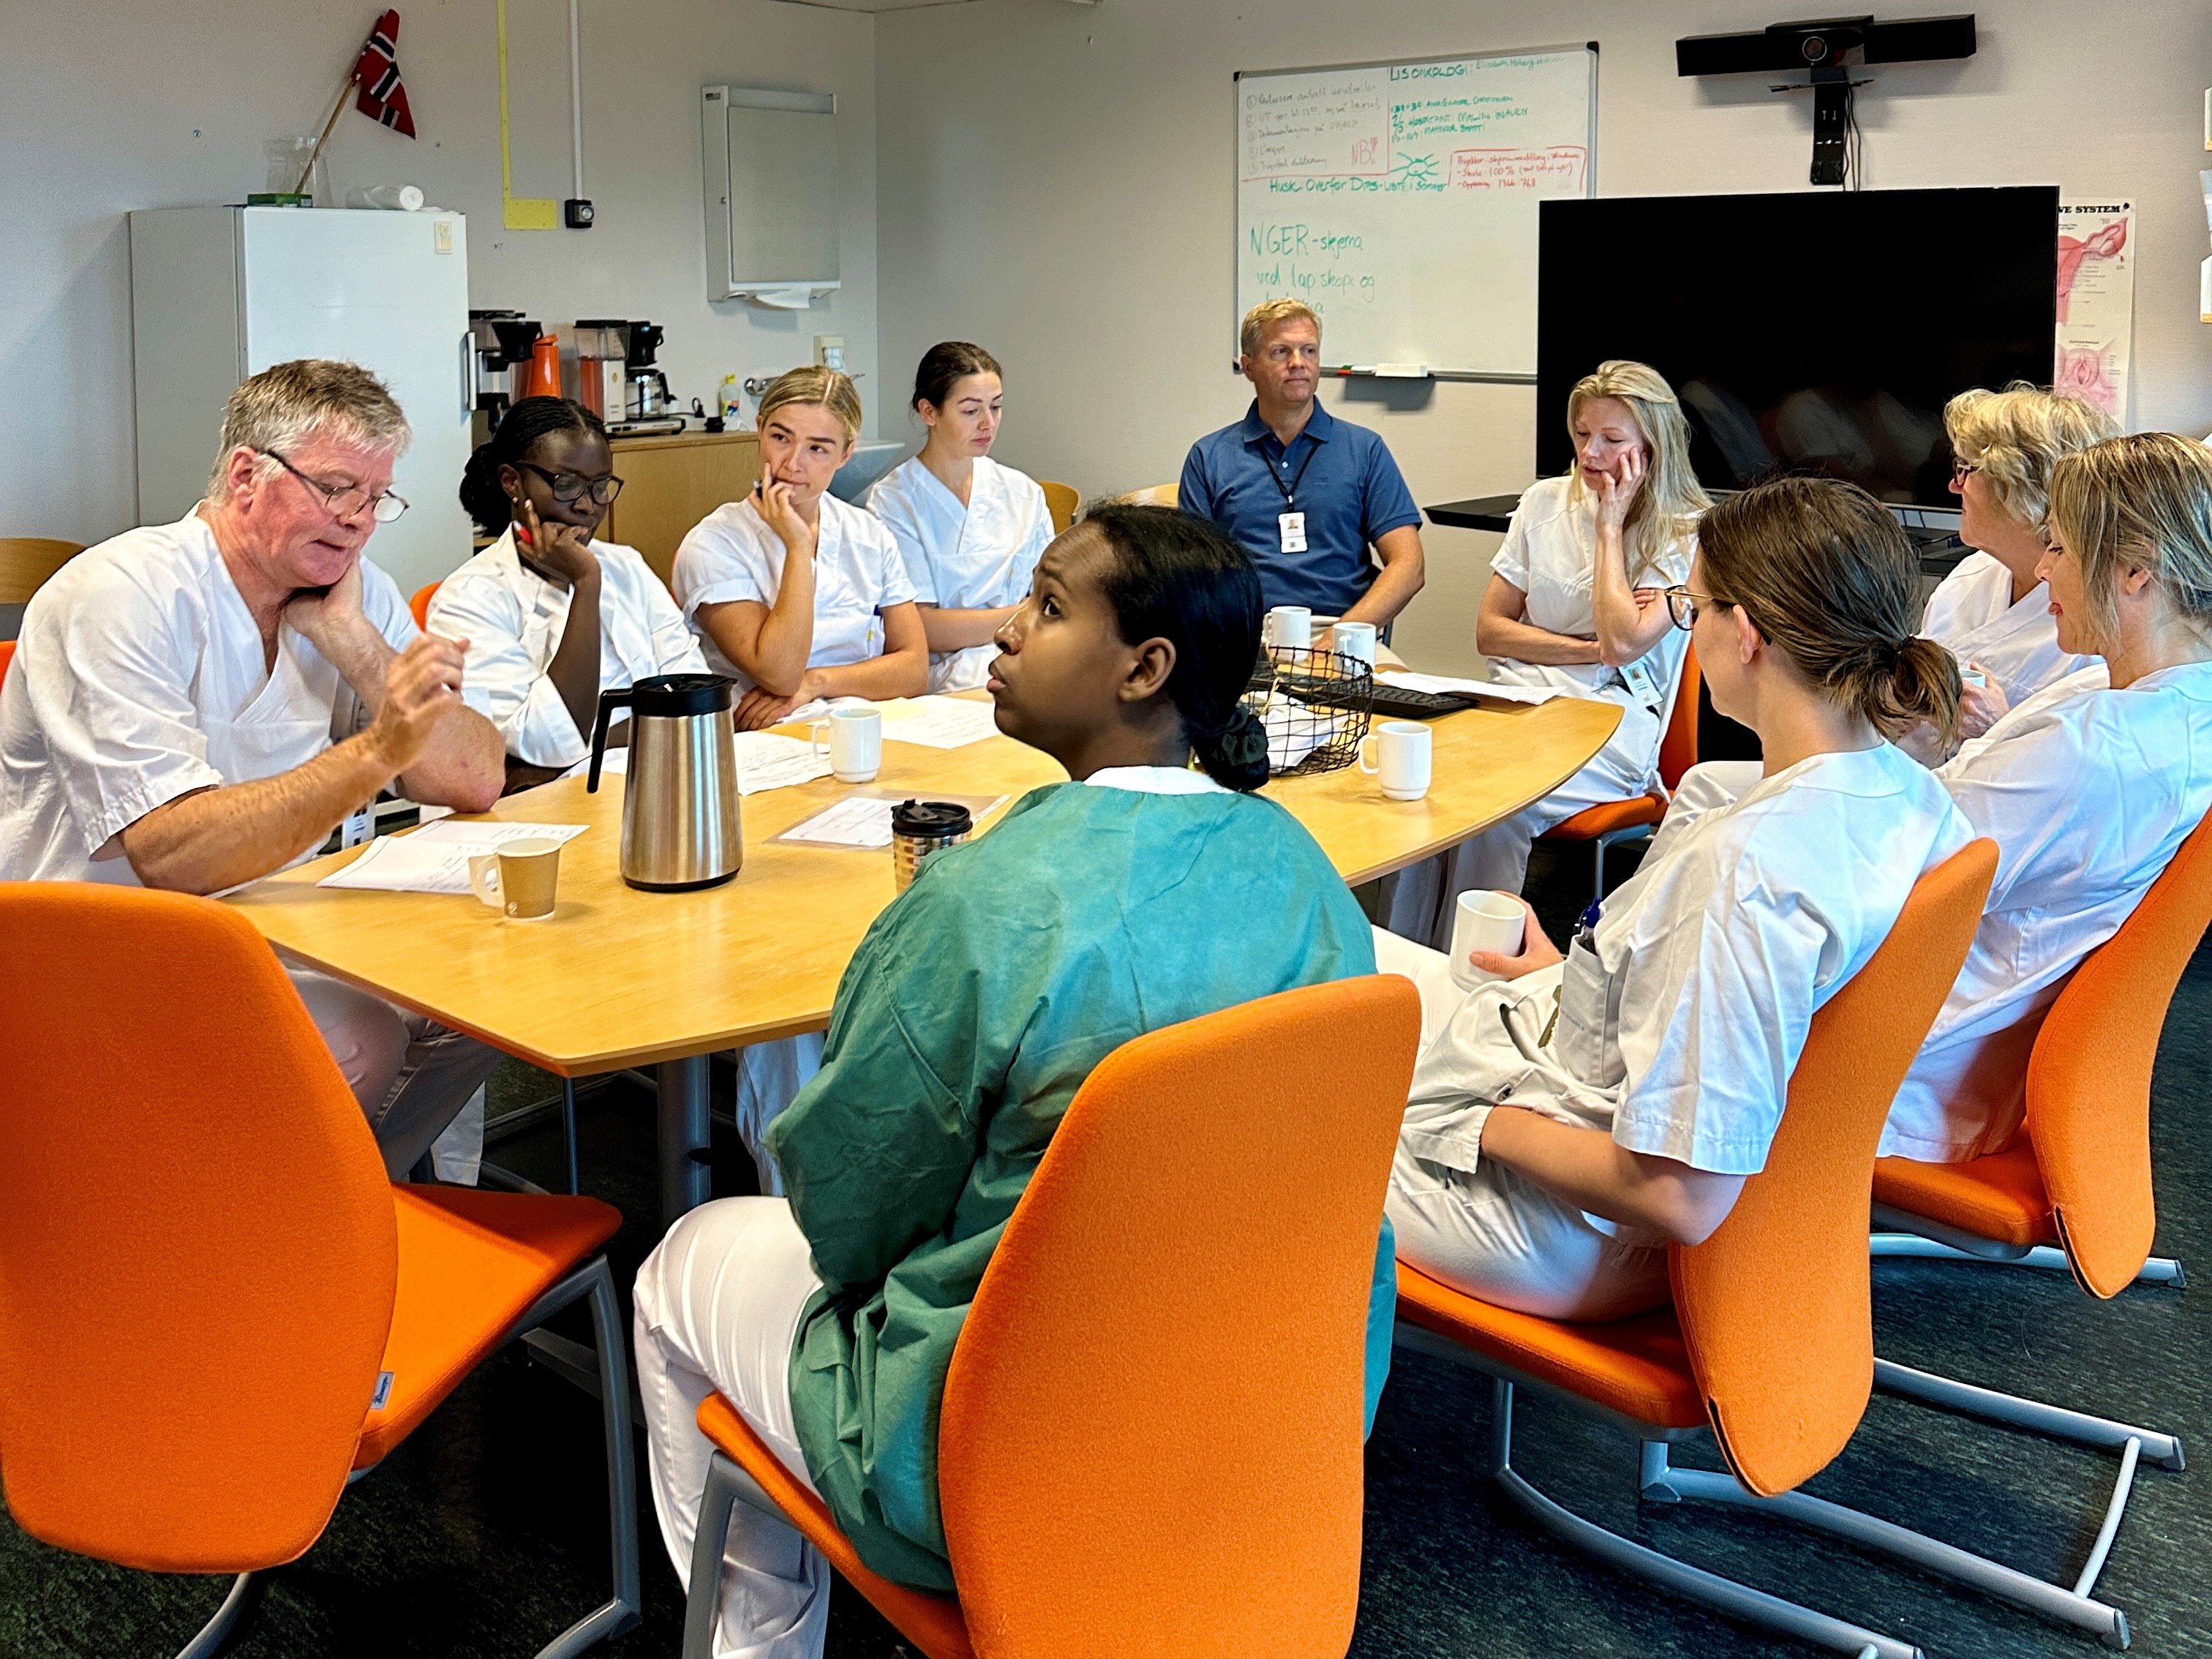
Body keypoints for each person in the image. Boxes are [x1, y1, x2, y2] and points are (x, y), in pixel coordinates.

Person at [633, 505, 1389, 1658]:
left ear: (1145, 666)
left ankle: (751, 1642)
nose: (1004, 633)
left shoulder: (982, 902)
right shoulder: (1299, 869)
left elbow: (853, 1204)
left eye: (1044, 606)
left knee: (677, 1266)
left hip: (1004, 1444)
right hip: (1269, 1406)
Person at [1376, 477, 1971, 1320]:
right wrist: (1589, 981)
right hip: (1584, 1099)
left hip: (1567, 1218)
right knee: (1349, 963)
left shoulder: (1748, 869)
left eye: (1693, 615)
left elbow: (1677, 1197)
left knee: (1281, 1098)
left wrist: (1475, 1119)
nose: (1690, 638)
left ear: (1750, 634)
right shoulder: (1909, 798)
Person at [0, 359, 507, 1178]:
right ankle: (258, 1236)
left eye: (376, 499)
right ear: (246, 475)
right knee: (359, 1035)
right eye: (337, 488)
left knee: (483, 1002)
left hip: (267, 925)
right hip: (90, 956)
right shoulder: (122, 593)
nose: (358, 522)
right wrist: (378, 750)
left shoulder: (347, 589)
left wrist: (353, 643)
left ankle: (353, 1206)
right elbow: (173, 856)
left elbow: (475, 778)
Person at [1878, 432, 2212, 1162]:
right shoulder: (2150, 699)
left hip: (1904, 1060)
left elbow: (1889, 872)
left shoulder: (2096, 746)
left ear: (2133, 572)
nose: (2041, 568)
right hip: (1963, 1040)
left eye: (2058, 548)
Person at [1382, 361, 1709, 946]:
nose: (1590, 454)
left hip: (1616, 718)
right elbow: (1491, 631)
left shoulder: (1689, 532)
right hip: (1522, 698)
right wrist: (1586, 649)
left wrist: (1610, 527)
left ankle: (1476, 973)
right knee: (1429, 788)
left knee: (1493, 807)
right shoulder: (1542, 502)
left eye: (1612, 441)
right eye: (1583, 435)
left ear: (1652, 448)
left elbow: (1622, 643)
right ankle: (1406, 962)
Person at [431, 396, 707, 792]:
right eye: (566, 484)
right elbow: (547, 743)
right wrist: (586, 584)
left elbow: (697, 700)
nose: (586, 505)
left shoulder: (627, 566)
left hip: (654, 781)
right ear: (513, 481)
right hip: (536, 819)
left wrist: (574, 752)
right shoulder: (470, 598)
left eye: (599, 487)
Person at [674, 367, 928, 731]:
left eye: (817, 448)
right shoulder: (715, 543)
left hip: (868, 724)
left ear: (845, 454)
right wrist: (797, 547)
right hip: (767, 736)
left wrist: (816, 682)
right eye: (781, 438)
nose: (793, 464)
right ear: (760, 429)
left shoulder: (869, 534)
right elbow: (778, 675)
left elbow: (914, 669)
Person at [1178, 298, 1426, 624]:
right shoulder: (1209, 457)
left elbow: (1410, 565)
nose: (1298, 363)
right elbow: (1192, 576)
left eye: (1309, 351)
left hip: (1342, 627)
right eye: (1281, 352)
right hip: (1246, 635)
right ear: (1249, 366)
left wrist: (1343, 635)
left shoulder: (1364, 450)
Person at [1909, 384, 2118, 756]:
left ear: (2022, 487)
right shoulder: (1970, 577)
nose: (1953, 486)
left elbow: (2093, 771)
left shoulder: (2097, 621)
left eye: (1965, 470)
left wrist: (1998, 730)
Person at [867, 341, 1054, 691]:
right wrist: (1020, 615)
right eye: (970, 411)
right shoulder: (895, 502)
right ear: (929, 412)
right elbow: (921, 628)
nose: (988, 423)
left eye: (996, 408)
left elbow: (1054, 596)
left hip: (1028, 655)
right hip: (947, 673)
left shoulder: (1022, 492)